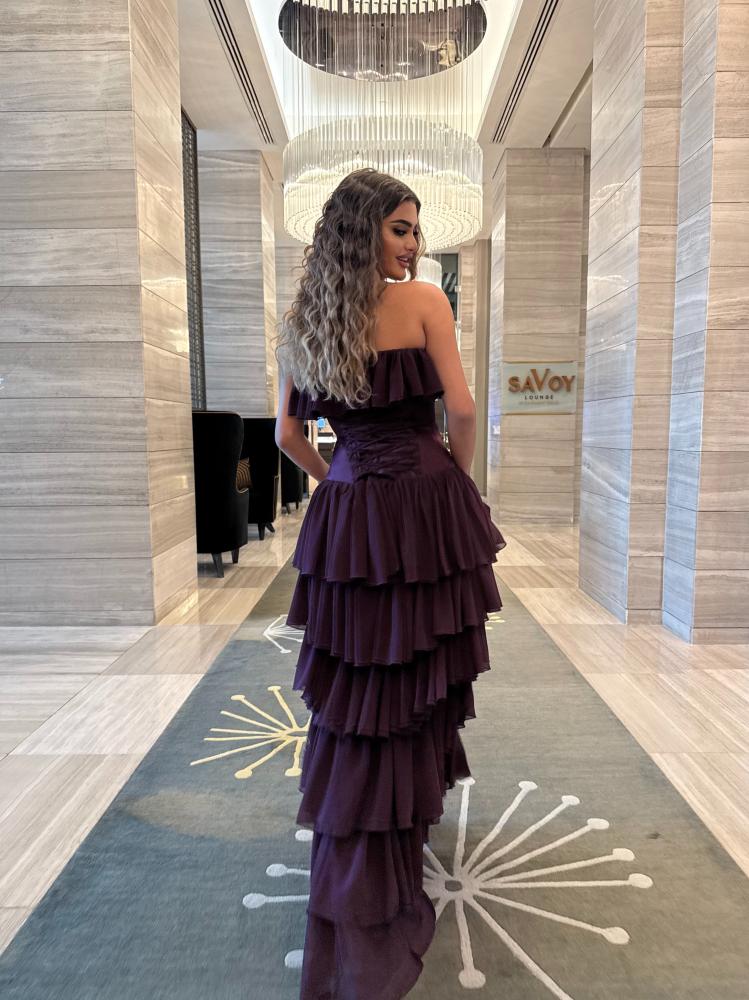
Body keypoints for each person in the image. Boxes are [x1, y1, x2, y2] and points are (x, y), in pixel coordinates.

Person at [273, 168, 506, 999]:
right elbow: (462, 410)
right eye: (400, 228)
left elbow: (288, 435)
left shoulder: (304, 320)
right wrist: (454, 482)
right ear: (364, 228)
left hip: (348, 509)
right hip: (419, 499)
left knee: (358, 679)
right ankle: (398, 820)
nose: (412, 243)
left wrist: (338, 476)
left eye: (414, 229)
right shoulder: (426, 302)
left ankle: (364, 821)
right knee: (413, 666)